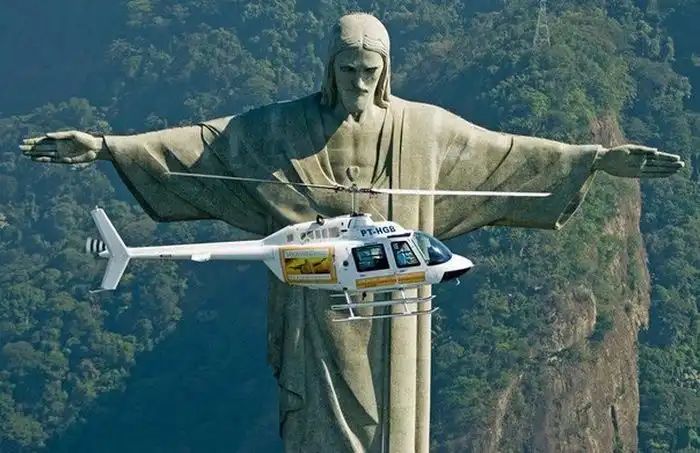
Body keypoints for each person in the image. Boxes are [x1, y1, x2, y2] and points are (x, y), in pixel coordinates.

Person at [19, 12, 684, 453]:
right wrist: (105, 146)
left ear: (386, 71)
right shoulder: (280, 130)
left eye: (371, 72)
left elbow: (507, 156)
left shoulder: (423, 131)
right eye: (347, 71)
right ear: (328, 69)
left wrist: (596, 159)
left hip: (396, 319)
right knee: (317, 427)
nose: (360, 83)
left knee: (395, 425)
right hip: (313, 316)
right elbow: (201, 146)